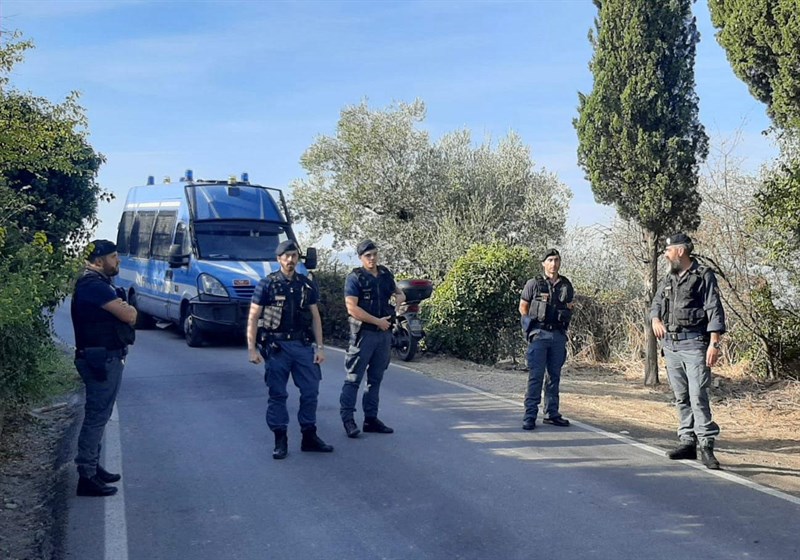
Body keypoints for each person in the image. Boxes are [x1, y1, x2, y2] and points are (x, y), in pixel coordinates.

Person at [247, 240, 333, 460]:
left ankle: (309, 436)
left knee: (311, 391)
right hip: (277, 347)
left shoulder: (306, 284)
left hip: (302, 346)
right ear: (279, 259)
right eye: (286, 256)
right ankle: (280, 439)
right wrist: (252, 349)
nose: (290, 260)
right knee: (278, 394)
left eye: (294, 256)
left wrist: (320, 348)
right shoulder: (267, 284)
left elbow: (315, 316)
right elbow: (254, 316)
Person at [650, 233, 725, 470]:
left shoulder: (703, 276)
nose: (665, 254)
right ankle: (687, 442)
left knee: (698, 396)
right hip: (671, 346)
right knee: (681, 396)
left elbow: (714, 308)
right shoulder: (669, 278)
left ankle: (706, 445)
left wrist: (714, 343)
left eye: (668, 250)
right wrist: (655, 319)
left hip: (695, 344)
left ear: (680, 251)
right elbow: (656, 304)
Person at [71, 240, 137, 497]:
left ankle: (92, 467)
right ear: (98, 260)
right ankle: (86, 476)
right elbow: (130, 316)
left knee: (100, 415)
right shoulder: (93, 286)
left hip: (104, 357)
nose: (117, 260)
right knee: (97, 417)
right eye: (113, 256)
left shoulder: (99, 285)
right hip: (99, 359)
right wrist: (127, 307)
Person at [339, 240, 405, 438]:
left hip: (383, 334)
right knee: (353, 379)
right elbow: (352, 308)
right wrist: (377, 321)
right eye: (368, 255)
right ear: (361, 258)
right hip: (363, 334)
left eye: (375, 254)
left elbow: (398, 292)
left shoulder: (385, 274)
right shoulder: (355, 278)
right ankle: (348, 419)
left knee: (375, 379)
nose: (372, 258)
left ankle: (371, 419)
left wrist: (398, 300)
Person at [519, 248, 575, 431]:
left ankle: (552, 414)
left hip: (557, 336)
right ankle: (530, 416)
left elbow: (570, 307)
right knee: (535, 377)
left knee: (554, 377)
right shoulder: (533, 284)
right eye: (550, 260)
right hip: (539, 336)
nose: (554, 263)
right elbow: (523, 307)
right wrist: (529, 328)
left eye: (556, 260)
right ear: (543, 263)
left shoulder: (566, 285)